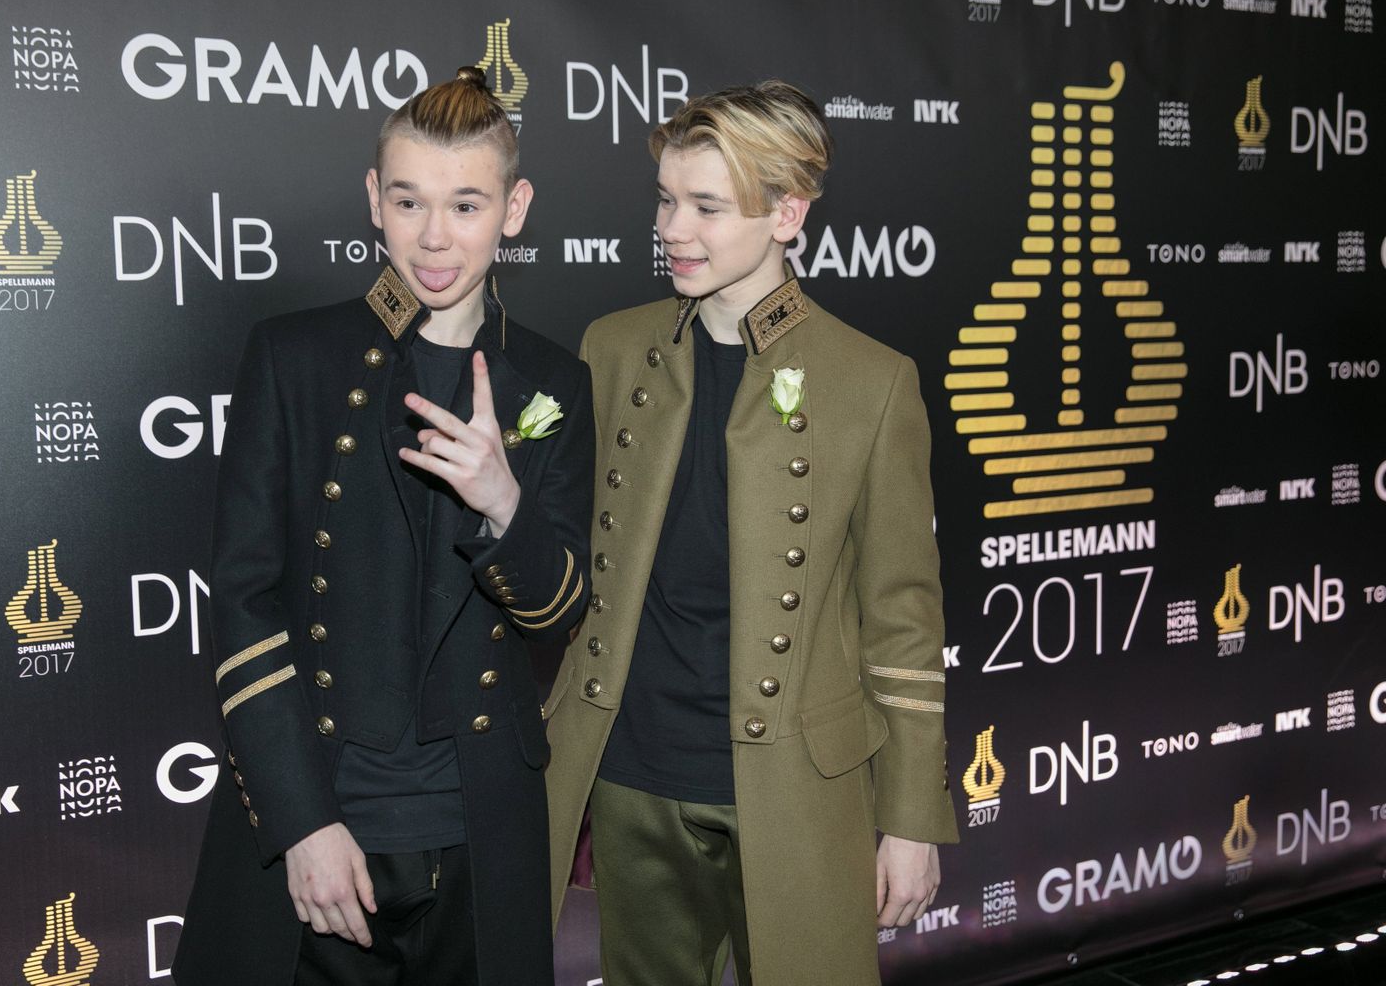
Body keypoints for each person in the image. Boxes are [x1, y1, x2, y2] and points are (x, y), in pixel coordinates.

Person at [174, 66, 592, 986]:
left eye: (467, 205)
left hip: (483, 836)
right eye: (409, 202)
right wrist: (303, 824)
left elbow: (559, 615)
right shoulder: (294, 357)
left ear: (515, 209)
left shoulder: (554, 381)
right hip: (325, 828)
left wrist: (504, 503)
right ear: (373, 200)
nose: (435, 237)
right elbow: (244, 604)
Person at [543, 80, 958, 986]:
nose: (671, 228)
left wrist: (912, 817)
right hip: (630, 772)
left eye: (706, 206)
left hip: (797, 786)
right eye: (665, 199)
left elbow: (903, 617)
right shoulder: (612, 348)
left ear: (787, 214)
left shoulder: (871, 381)